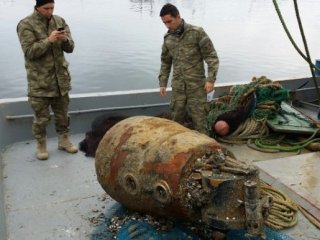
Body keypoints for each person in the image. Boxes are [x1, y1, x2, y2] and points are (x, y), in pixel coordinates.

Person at [17, 0, 78, 160]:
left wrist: (65, 40)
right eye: (46, 8)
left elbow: (71, 48)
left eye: (52, 7)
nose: (50, 11)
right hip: (40, 82)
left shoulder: (60, 21)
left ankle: (64, 141)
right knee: (41, 118)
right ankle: (41, 144)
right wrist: (48, 40)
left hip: (61, 81)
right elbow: (29, 52)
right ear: (37, 7)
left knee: (63, 115)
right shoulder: (26, 24)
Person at [158, 3, 219, 134]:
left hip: (197, 87)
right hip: (178, 88)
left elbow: (211, 57)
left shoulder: (197, 33)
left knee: (201, 122)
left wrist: (211, 80)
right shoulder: (168, 39)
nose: (168, 26)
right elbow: (165, 62)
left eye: (170, 21)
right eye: (164, 23)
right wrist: (163, 83)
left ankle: (205, 149)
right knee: (175, 122)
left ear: (178, 17)